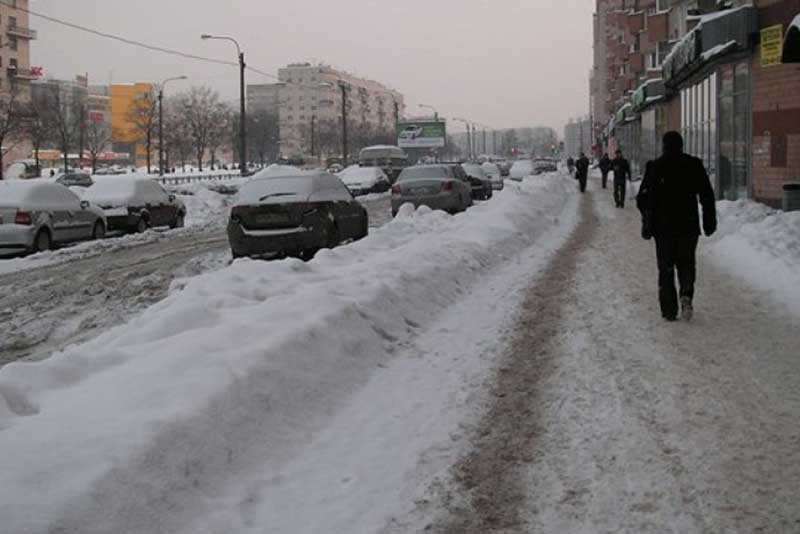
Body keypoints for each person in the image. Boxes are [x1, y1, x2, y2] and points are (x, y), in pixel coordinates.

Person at [637, 131, 717, 322]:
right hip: (688, 226)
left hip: (663, 228)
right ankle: (686, 295)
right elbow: (707, 195)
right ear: (682, 145)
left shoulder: (655, 166)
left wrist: (648, 217)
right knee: (687, 263)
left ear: (664, 146)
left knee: (666, 268)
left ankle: (669, 310)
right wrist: (709, 221)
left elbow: (642, 198)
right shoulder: (693, 165)